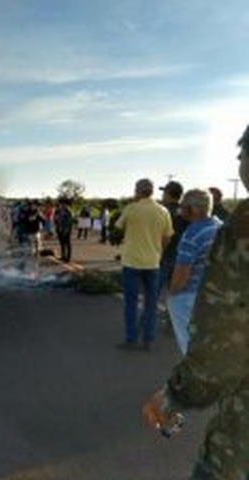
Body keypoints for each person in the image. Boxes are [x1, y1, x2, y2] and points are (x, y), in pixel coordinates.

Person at [143, 124, 249, 480]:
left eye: (242, 153)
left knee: (192, 344)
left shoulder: (237, 232)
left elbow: (222, 349)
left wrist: (173, 396)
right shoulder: (219, 224)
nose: (239, 161)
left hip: (239, 451)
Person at [115, 178, 173, 350]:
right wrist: (158, 250)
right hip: (153, 263)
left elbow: (119, 227)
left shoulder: (131, 209)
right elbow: (168, 237)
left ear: (137, 191)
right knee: (151, 302)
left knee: (131, 303)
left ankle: (131, 338)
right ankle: (148, 339)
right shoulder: (163, 211)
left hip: (132, 262)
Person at [166, 189, 222, 354]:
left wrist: (171, 292)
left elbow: (182, 273)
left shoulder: (192, 234)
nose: (181, 208)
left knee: (188, 343)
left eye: (184, 205)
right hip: (212, 292)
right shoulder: (219, 226)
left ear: (193, 209)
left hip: (189, 295)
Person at [158, 180, 189, 298]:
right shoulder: (187, 211)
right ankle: (171, 315)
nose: (162, 195)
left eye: (164, 192)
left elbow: (162, 235)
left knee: (154, 291)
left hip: (165, 255)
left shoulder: (163, 211)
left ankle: (149, 315)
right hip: (181, 256)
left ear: (169, 194)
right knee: (175, 292)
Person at [54, 198, 73, 263]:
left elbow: (69, 222)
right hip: (60, 229)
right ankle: (63, 256)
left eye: (62, 203)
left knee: (67, 244)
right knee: (62, 243)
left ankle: (68, 258)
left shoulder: (68, 211)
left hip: (66, 229)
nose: (61, 205)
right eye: (61, 204)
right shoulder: (60, 210)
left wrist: (66, 230)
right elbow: (57, 219)